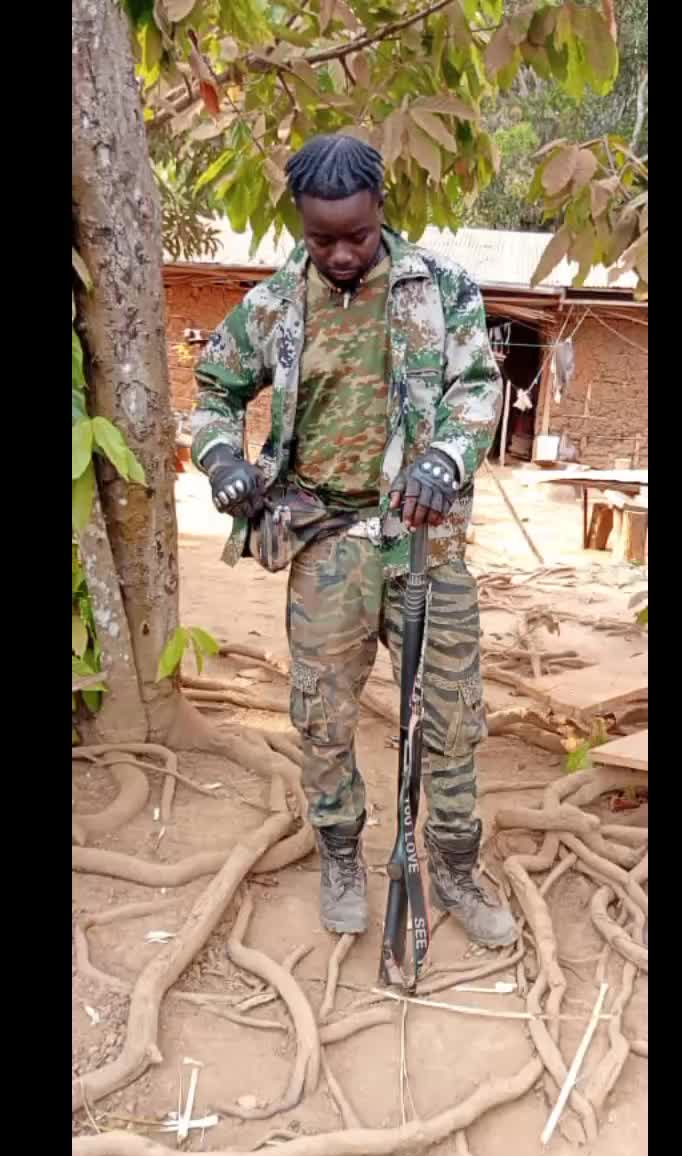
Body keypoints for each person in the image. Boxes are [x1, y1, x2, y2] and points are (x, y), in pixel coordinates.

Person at [190, 134, 517, 948]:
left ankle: (454, 866)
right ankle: (340, 854)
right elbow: (214, 390)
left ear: (381, 211)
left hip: (425, 542)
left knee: (451, 716)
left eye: (357, 236)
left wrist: (446, 459)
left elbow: (478, 388)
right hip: (327, 540)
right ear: (300, 225)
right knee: (323, 714)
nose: (341, 254)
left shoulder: (441, 288)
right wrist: (222, 457)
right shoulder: (275, 305)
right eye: (321, 239)